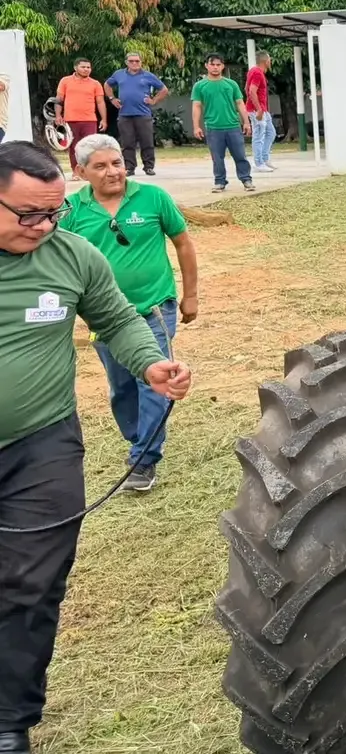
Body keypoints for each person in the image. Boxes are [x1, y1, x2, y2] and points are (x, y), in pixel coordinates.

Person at [0, 141, 191, 753]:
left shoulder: (71, 255)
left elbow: (115, 319)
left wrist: (152, 363)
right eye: (28, 214)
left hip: (42, 445)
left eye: (53, 213)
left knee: (33, 584)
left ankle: (9, 720)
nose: (44, 227)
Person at [59, 133, 199, 492]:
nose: (113, 172)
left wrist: (190, 296)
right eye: (101, 166)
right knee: (121, 387)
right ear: (80, 171)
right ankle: (141, 437)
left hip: (154, 310)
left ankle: (144, 459)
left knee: (153, 381)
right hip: (102, 319)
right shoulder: (72, 212)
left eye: (117, 163)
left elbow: (182, 242)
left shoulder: (152, 198)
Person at [191, 53, 254, 193]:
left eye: (218, 65)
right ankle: (220, 181)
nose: (215, 67)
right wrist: (196, 126)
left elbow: (240, 103)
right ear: (206, 66)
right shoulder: (200, 86)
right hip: (213, 127)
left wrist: (246, 122)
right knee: (217, 157)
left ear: (223, 66)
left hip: (233, 126)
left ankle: (246, 179)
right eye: (212, 64)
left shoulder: (231, 84)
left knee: (240, 155)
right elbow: (196, 106)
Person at [104, 53, 169, 176]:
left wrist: (154, 100)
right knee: (127, 142)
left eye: (137, 61)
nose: (135, 63)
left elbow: (164, 89)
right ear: (126, 62)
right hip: (124, 114)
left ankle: (148, 167)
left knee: (147, 141)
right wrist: (112, 98)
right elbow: (107, 84)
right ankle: (129, 167)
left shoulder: (148, 75)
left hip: (143, 114)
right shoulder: (119, 74)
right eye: (131, 61)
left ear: (141, 62)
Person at [54, 58, 108, 180]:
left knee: (91, 147)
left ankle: (90, 172)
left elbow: (100, 102)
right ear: (75, 68)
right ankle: (76, 172)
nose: (86, 69)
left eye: (88, 67)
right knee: (74, 147)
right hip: (70, 120)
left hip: (90, 120)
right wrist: (58, 115)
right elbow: (59, 99)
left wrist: (103, 119)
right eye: (83, 67)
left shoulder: (95, 83)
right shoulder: (65, 81)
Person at [246, 50, 277, 172]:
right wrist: (258, 109)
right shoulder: (257, 73)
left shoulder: (254, 72)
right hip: (257, 110)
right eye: (270, 60)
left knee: (271, 133)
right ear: (266, 61)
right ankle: (258, 163)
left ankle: (264, 158)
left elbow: (246, 88)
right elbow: (251, 91)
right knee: (258, 135)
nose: (270, 62)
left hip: (262, 109)